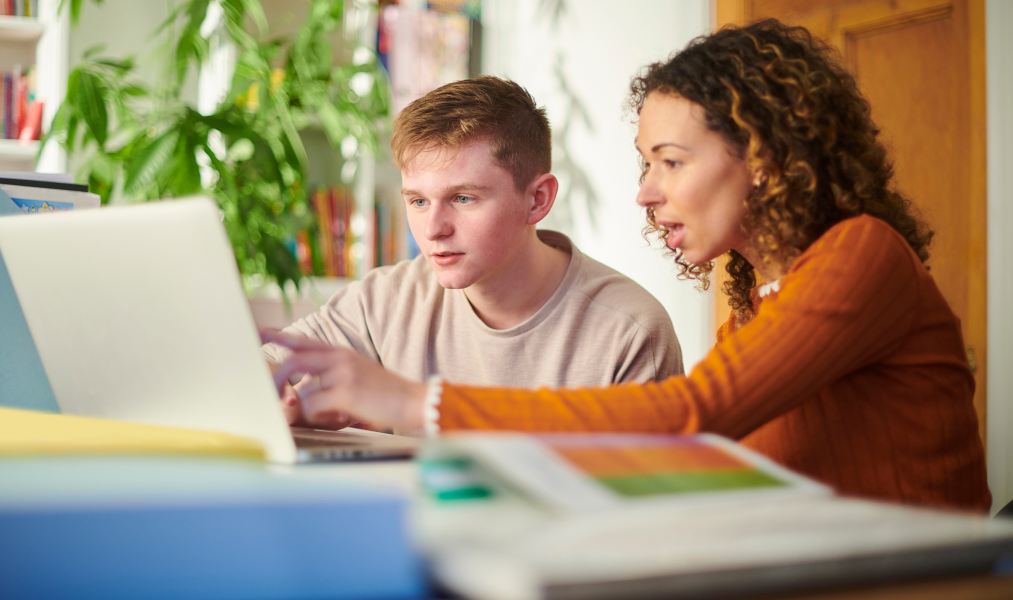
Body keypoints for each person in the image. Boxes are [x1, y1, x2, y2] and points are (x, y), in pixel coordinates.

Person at [263, 20, 990, 512]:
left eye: (669, 163)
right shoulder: (762, 298)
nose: (645, 192)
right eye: (647, 164)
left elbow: (687, 417)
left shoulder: (861, 254)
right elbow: (709, 465)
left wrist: (408, 404)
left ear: (764, 161)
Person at [265, 75, 683, 431]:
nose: (432, 229)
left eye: (463, 199)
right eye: (418, 201)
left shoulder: (630, 333)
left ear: (537, 200)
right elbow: (263, 368)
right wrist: (279, 401)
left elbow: (637, 509)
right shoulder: (386, 300)